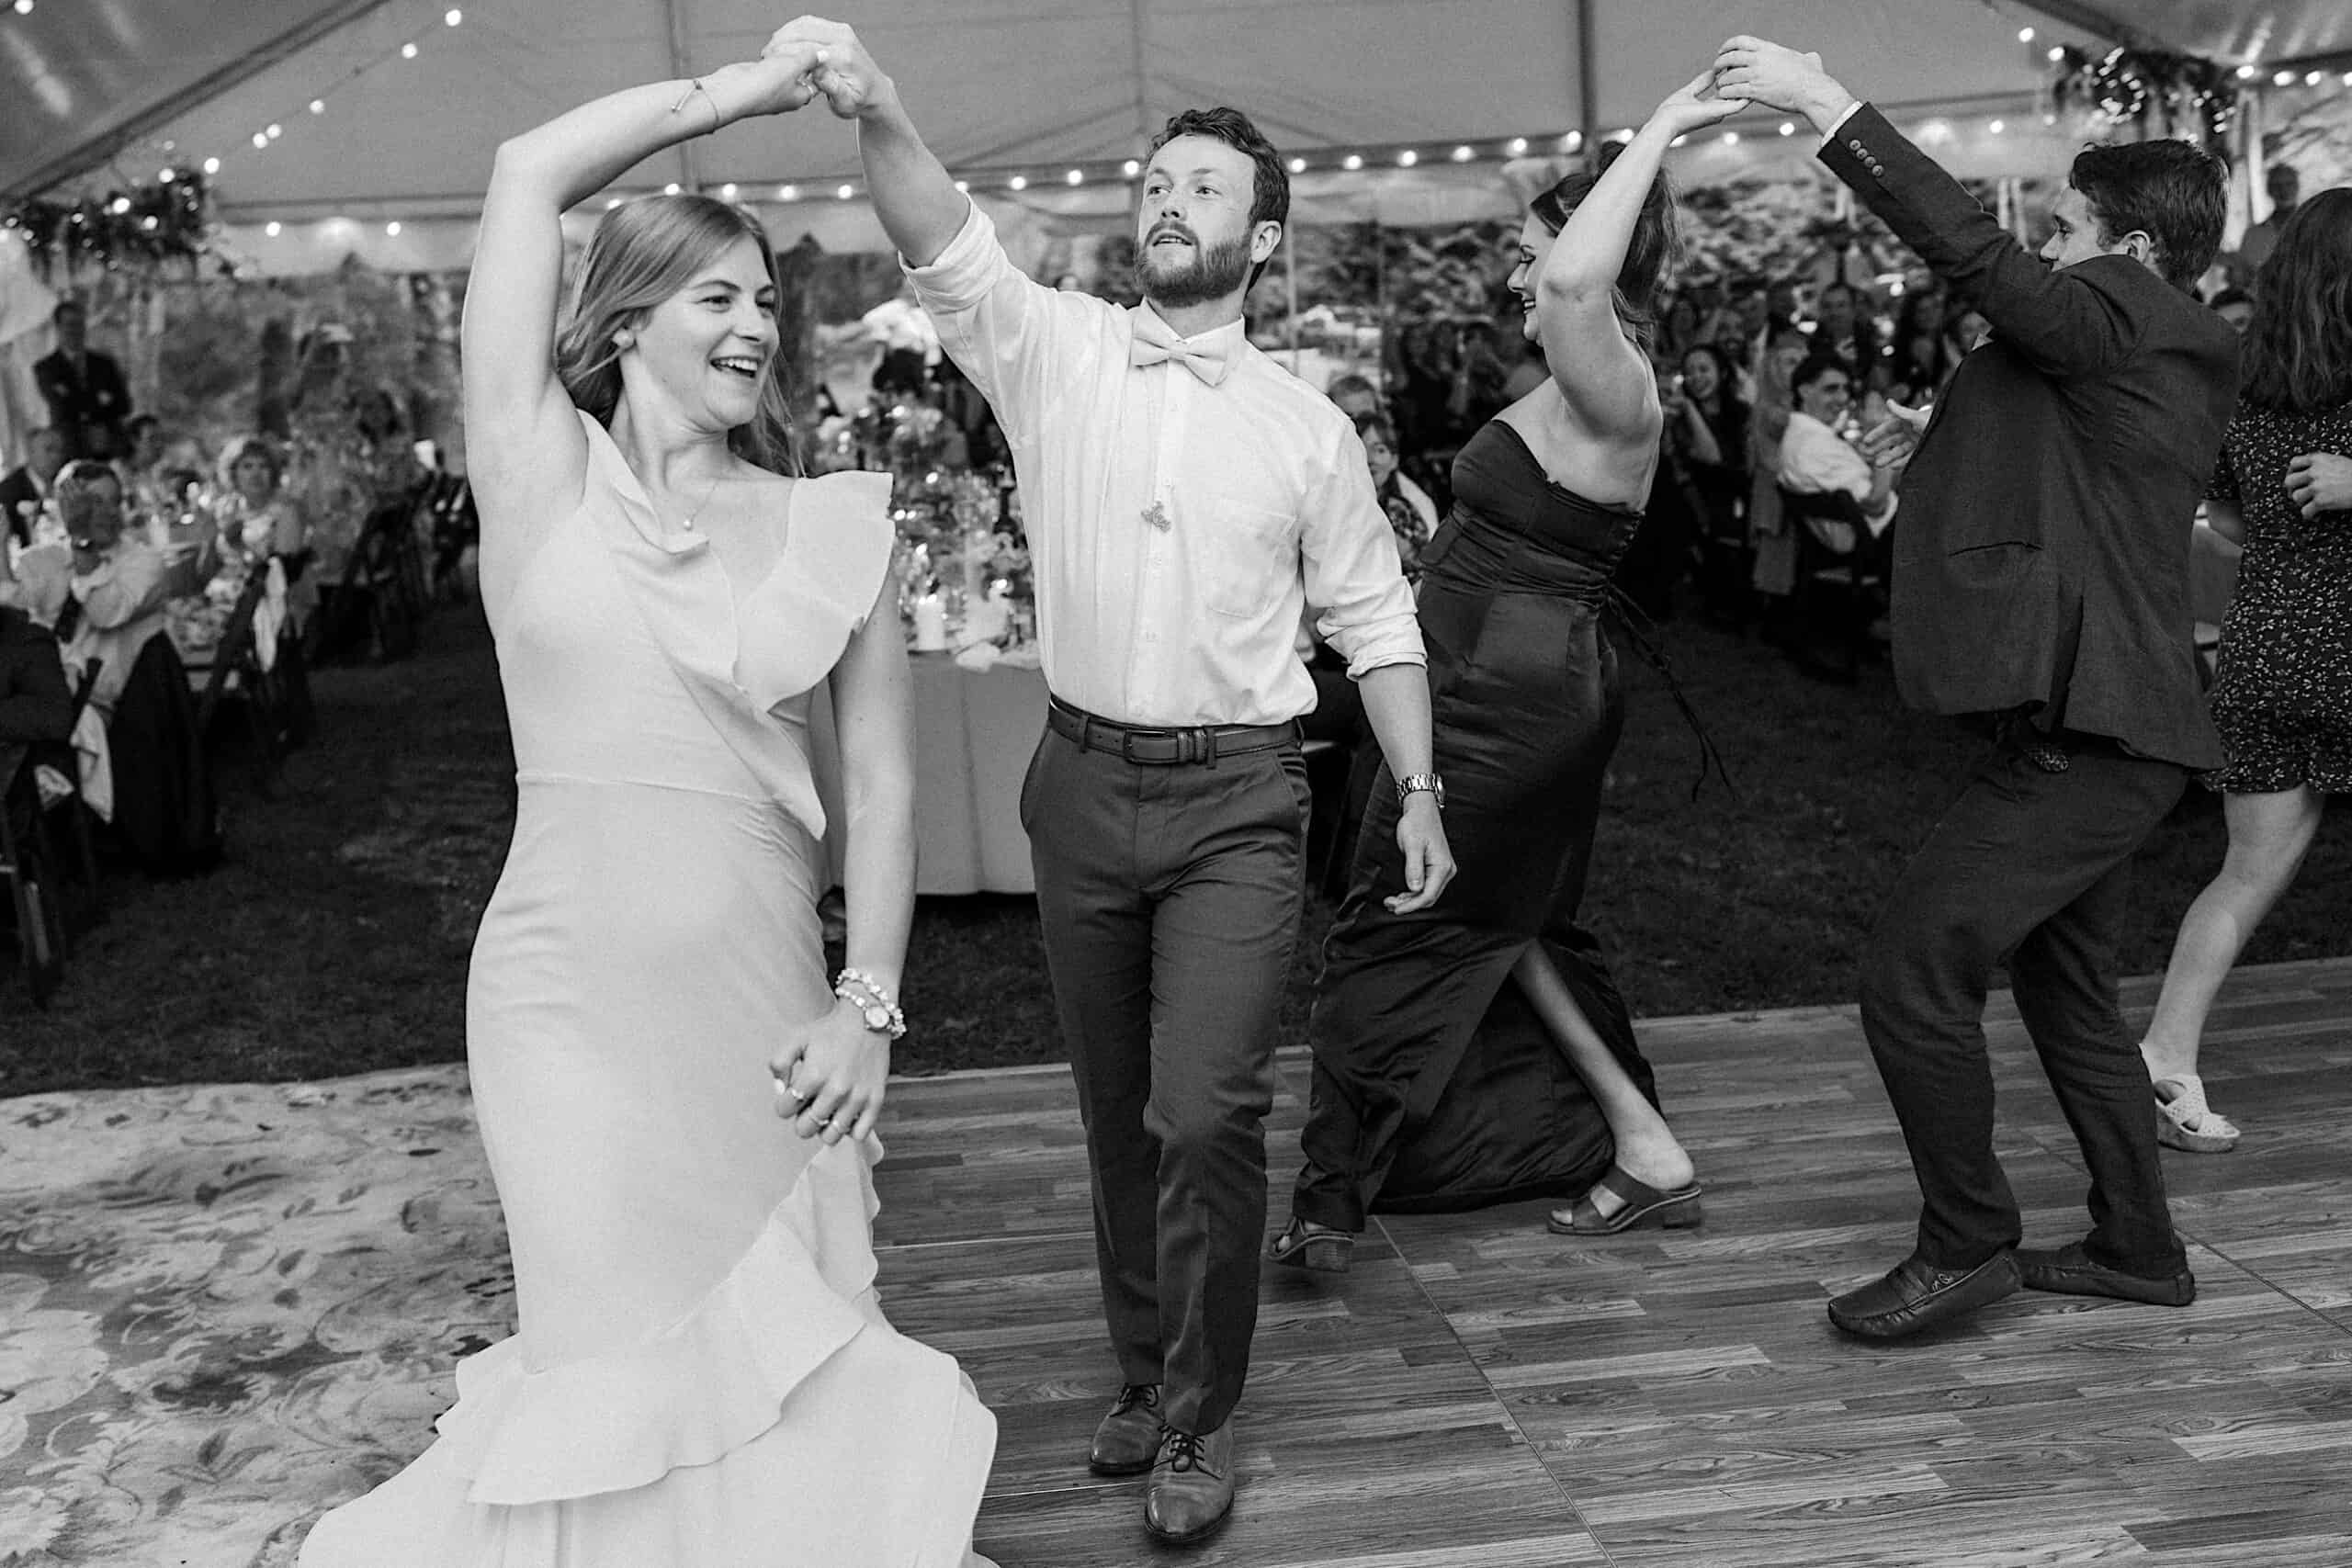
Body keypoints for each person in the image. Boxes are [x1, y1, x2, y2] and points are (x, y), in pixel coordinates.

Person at [298, 43, 997, 1568]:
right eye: (717, 296)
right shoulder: (534, 473)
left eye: (766, 300)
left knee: (788, 1346)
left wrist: (868, 1004)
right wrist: (745, 91)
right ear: (624, 321)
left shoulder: (835, 525)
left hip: (765, 1007)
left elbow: (884, 788)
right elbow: (524, 174)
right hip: (561, 1002)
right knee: (610, 1343)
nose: (756, 325)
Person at [785, 16, 1453, 1546]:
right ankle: (1151, 1370)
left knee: (1203, 1108)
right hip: (1079, 783)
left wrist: (1417, 785)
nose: (1169, 200)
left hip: (1240, 802)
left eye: (1204, 188)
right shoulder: (1055, 350)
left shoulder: (1308, 430)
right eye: (1156, 182)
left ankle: (1201, 1414)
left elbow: (1375, 619)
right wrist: (878, 105)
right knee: (1114, 1113)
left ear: (1261, 238)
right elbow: (940, 233)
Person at [1716, 37, 2239, 1338]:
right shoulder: (2148, 343)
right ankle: (2138, 1248)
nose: (2043, 250)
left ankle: (1966, 1241)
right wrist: (1935, 456)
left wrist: (1826, 104)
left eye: (2062, 229)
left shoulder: (2128, 314)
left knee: (1910, 969)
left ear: (2132, 247)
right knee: (2067, 992)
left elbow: (1975, 259)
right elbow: (2074, 475)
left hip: (2099, 733)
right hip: (2111, 721)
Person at [1276, 74, 1739, 1272]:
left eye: (1532, 252)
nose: (1519, 277)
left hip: (1506, 695)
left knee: (1390, 912)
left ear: (1593, 256)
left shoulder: (1613, 377)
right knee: (1504, 917)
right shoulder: (1573, 381)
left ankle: (1329, 1195)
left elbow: (1579, 283)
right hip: (1488, 673)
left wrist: (1661, 129)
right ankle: (1643, 1147)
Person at [2139, 190, 2352, 1154]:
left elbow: (2224, 521)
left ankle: (2165, 1060)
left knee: (2244, 876)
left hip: (2266, 646)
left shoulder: (2247, 385)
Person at [1777, 351, 1896, 554]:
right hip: (1884, 545)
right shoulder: (1811, 445)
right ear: (1804, 391)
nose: (1843, 398)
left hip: (1878, 535)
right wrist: (1883, 441)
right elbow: (1876, 505)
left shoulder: (1803, 434)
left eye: (1845, 389)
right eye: (1831, 389)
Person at [34, 300, 133, 460]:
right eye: (70, 324)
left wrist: (78, 398)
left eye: (80, 324)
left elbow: (123, 405)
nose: (76, 330)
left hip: (107, 448)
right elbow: (63, 406)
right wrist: (100, 401)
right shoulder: (47, 368)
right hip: (70, 448)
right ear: (58, 328)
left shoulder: (104, 364)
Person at [2229, 164, 2301, 285]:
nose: (2283, 191)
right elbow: (2241, 279)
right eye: (2277, 186)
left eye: (2289, 184)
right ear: (2269, 190)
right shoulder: (2253, 235)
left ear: (2297, 187)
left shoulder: (2315, 229)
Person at [2, 426, 66, 549]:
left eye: (60, 450)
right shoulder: (8, 491)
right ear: (30, 452)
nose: (56, 456)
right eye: (49, 450)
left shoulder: (66, 482)